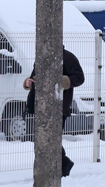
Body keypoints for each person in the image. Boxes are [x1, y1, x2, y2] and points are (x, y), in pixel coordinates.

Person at [22, 48, 86, 177]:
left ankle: (62, 165)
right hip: (39, 105)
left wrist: (61, 81)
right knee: (42, 139)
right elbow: (35, 76)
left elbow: (79, 78)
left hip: (59, 106)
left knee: (52, 139)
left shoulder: (68, 57)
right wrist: (28, 82)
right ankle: (61, 165)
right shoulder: (41, 56)